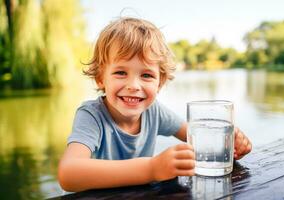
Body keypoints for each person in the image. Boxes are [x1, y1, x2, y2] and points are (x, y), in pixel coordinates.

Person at [57, 17, 252, 192]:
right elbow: (68, 174)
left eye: (147, 75)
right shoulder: (91, 115)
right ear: (100, 78)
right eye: (120, 73)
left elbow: (194, 137)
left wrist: (229, 144)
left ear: (159, 83)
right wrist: (152, 168)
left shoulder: (153, 111)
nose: (134, 85)